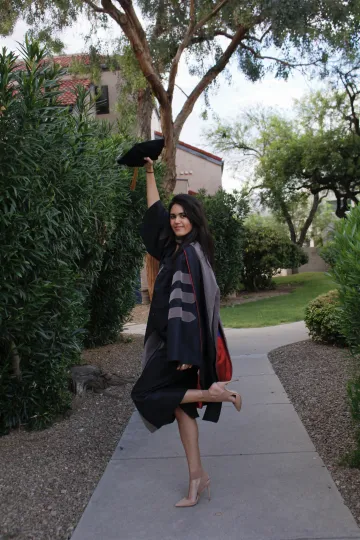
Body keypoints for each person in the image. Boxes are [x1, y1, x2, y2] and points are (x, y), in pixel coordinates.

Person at [131, 157, 242, 508]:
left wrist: (183, 353)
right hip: (173, 344)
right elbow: (154, 215)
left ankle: (215, 394)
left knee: (145, 394)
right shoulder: (176, 249)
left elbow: (188, 311)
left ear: (193, 219)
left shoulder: (188, 256)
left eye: (183, 215)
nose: (176, 220)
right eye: (174, 215)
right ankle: (197, 478)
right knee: (182, 410)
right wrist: (149, 172)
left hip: (177, 347)